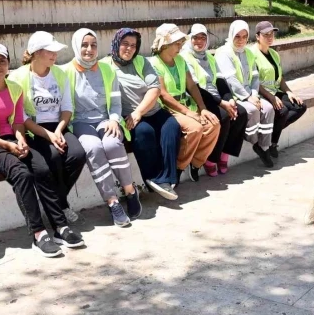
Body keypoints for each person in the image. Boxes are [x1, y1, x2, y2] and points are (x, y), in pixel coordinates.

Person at [0, 43, 84, 258]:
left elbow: (18, 121)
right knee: (22, 174)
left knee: (41, 168)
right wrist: (7, 145)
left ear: (8, 64)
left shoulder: (14, 89)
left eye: (2, 61)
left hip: (14, 138)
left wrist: (20, 139)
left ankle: (60, 226)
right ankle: (38, 233)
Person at [63, 28, 142, 227]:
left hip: (106, 119)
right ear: (76, 46)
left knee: (112, 144)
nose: (89, 50)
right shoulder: (65, 72)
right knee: (93, 148)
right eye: (84, 45)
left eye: (93, 45)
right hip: (79, 122)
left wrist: (114, 120)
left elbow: (115, 103)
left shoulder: (107, 70)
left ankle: (130, 191)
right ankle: (112, 201)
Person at [8, 31, 87, 224]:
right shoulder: (18, 76)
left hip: (58, 125)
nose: (55, 55)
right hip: (33, 128)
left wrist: (59, 130)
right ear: (35, 53)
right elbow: (20, 116)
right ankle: (61, 207)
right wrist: (48, 135)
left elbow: (67, 107)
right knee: (52, 156)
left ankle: (56, 201)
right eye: (49, 51)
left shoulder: (59, 73)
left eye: (55, 51)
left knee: (77, 154)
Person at [103, 28, 182, 200]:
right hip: (128, 115)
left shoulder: (141, 62)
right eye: (125, 44)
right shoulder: (105, 66)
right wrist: (133, 114)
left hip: (150, 110)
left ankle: (167, 178)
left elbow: (155, 89)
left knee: (172, 127)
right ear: (116, 44)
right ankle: (154, 178)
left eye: (133, 45)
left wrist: (139, 111)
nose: (129, 48)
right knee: (144, 132)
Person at [148, 23, 221, 183]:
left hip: (187, 106)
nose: (181, 46)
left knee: (213, 124)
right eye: (177, 43)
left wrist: (202, 109)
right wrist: (189, 113)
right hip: (168, 109)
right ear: (164, 44)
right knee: (195, 128)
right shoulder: (154, 63)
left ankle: (196, 163)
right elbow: (164, 95)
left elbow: (192, 86)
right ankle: (180, 167)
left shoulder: (180, 60)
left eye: (181, 42)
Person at [180, 23, 248, 177]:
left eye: (203, 38)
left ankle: (224, 153)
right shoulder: (185, 57)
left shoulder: (209, 57)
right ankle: (210, 159)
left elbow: (221, 81)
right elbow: (195, 88)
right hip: (198, 99)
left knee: (240, 113)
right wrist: (221, 103)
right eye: (195, 37)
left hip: (215, 98)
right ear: (189, 39)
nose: (199, 41)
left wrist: (229, 99)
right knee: (223, 117)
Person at [215, 20, 276, 168]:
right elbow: (231, 80)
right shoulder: (223, 52)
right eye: (238, 36)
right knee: (252, 109)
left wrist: (254, 94)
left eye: (244, 36)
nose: (241, 40)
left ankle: (264, 147)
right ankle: (254, 141)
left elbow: (255, 77)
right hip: (233, 95)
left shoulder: (248, 52)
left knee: (268, 109)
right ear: (231, 35)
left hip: (250, 94)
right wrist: (248, 97)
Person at [252, 21, 308, 158]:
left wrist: (289, 92)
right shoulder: (251, 54)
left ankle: (270, 134)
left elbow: (280, 77)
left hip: (275, 91)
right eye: (266, 34)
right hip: (261, 93)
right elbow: (253, 81)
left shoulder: (274, 54)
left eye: (272, 34)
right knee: (282, 111)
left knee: (300, 106)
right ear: (257, 36)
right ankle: (272, 143)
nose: (270, 37)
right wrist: (271, 97)